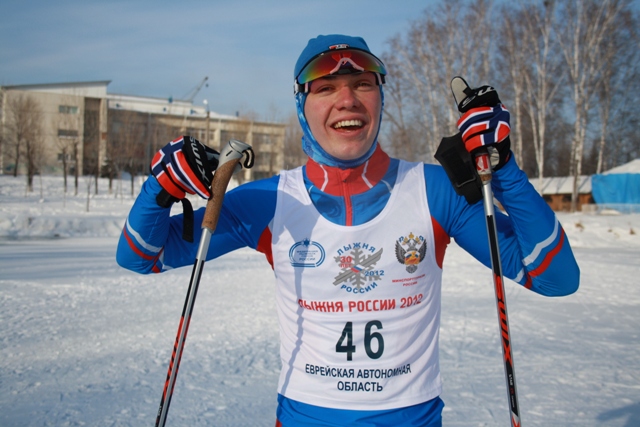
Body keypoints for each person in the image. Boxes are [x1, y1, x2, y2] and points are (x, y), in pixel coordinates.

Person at [116, 34, 579, 427]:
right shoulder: (269, 201)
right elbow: (142, 255)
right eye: (326, 88)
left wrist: (502, 167)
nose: (347, 99)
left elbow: (555, 278)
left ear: (380, 97)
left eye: (362, 84)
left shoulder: (433, 190)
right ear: (302, 106)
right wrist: (161, 188)